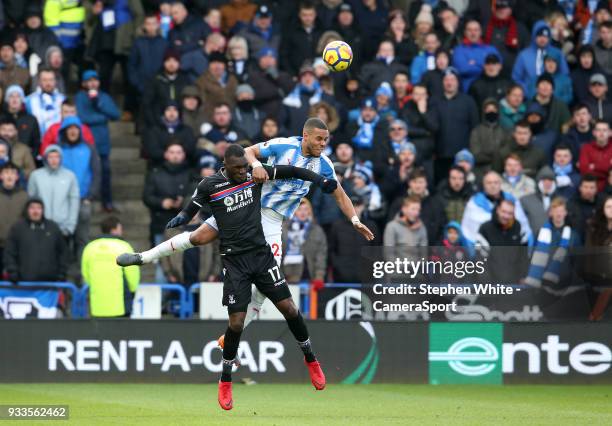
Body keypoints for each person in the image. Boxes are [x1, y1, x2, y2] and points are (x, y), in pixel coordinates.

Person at [122, 143, 336, 409]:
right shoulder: (210, 184)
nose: (243, 172)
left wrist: (320, 180)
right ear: (225, 167)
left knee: (290, 309)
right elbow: (192, 209)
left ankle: (311, 360)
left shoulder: (254, 174)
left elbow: (292, 170)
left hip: (261, 254)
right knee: (235, 323)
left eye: (245, 167)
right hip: (234, 261)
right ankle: (225, 380)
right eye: (238, 169)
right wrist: (180, 216)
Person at [118, 118, 374, 335]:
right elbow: (247, 151)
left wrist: (354, 220)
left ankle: (230, 337)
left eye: (325, 140)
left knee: (267, 284)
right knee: (198, 237)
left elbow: (340, 194)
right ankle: (143, 257)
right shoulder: (283, 145)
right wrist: (257, 165)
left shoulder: (325, 164)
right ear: (305, 135)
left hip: (274, 222)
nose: (322, 144)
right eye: (319, 139)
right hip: (247, 205)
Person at [142, 143, 192, 282]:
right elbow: (147, 197)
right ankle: (163, 300)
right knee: (162, 266)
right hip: (161, 225)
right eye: (172, 152)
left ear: (183, 155)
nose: (175, 155)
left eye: (178, 152)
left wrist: (184, 202)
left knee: (188, 264)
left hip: (186, 227)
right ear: (166, 154)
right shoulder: (155, 173)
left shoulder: (190, 173)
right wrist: (162, 203)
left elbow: (197, 194)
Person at [75, 70, 120, 212]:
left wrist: (99, 104)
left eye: (95, 80)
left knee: (106, 171)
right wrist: (102, 118)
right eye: (89, 80)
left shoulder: (103, 97)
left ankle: (107, 202)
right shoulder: (80, 97)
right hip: (86, 141)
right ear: (83, 83)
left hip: (102, 141)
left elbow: (116, 114)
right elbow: (83, 117)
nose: (92, 83)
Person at [81, 216, 140, 318]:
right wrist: (132, 291)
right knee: (120, 333)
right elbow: (132, 274)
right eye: (120, 229)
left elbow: (86, 275)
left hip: (97, 306)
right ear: (114, 230)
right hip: (120, 305)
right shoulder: (124, 246)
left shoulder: (90, 248)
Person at [3, 197, 68, 282]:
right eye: (32, 208)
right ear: (27, 210)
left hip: (50, 284)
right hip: (24, 283)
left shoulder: (53, 228)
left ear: (43, 210)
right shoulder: (17, 228)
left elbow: (63, 252)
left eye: (39, 208)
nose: (35, 211)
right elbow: (10, 252)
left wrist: (62, 273)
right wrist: (13, 271)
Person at [432, 67, 479, 183]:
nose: (449, 83)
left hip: (462, 156)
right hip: (440, 156)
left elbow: (475, 127)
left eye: (452, 79)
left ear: (458, 82)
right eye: (446, 80)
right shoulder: (434, 101)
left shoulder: (468, 101)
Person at [524, 197, 580, 290]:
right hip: (540, 281)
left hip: (564, 282)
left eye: (561, 211)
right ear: (550, 213)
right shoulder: (541, 232)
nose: (558, 214)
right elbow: (533, 255)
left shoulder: (574, 235)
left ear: (565, 213)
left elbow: (577, 261)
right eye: (555, 210)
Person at [461, 170, 531, 244]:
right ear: (484, 185)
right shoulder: (474, 203)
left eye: (496, 182)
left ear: (500, 184)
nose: (493, 185)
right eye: (489, 183)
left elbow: (523, 226)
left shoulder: (512, 200)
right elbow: (468, 230)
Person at [27, 145, 80, 239]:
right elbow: (31, 200)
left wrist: (70, 227)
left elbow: (74, 202)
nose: (54, 160)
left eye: (57, 157)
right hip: (40, 225)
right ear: (45, 158)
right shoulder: (36, 175)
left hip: (63, 227)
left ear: (61, 158)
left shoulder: (70, 176)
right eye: (50, 157)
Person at [328, 194, 379, 283]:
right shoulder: (337, 225)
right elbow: (331, 250)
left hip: (366, 276)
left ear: (363, 206)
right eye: (352, 205)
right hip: (341, 276)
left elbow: (376, 249)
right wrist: (338, 265)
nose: (355, 208)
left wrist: (370, 267)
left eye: (358, 205)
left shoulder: (371, 225)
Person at [475, 198, 529, 282]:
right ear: (498, 210)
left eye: (510, 213)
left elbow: (523, 257)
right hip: (491, 286)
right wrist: (487, 284)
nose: (506, 216)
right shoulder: (485, 229)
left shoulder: (519, 228)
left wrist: (523, 276)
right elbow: (480, 261)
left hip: (514, 285)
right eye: (504, 212)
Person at [512, 20, 569, 95]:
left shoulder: (557, 53)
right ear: (534, 36)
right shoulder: (524, 55)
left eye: (545, 36)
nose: (542, 39)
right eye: (539, 36)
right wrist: (527, 91)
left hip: (553, 98)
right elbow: (516, 78)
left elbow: (564, 75)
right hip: (529, 97)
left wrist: (555, 92)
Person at [127, 13, 169, 108]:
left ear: (158, 25)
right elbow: (132, 65)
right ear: (144, 26)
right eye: (148, 24)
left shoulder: (164, 43)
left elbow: (166, 64)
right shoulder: (138, 43)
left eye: (153, 23)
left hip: (160, 86)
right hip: (141, 86)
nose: (151, 26)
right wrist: (137, 83)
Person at [281, 199, 327, 284]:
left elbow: (321, 255)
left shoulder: (317, 230)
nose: (303, 212)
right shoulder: (284, 229)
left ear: (309, 211)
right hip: (287, 277)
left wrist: (319, 277)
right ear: (294, 211)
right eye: (299, 209)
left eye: (306, 209)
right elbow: (278, 254)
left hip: (310, 277)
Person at [142, 48, 190, 127]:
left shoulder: (185, 80)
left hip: (180, 123)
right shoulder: (155, 79)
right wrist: (154, 123)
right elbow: (147, 103)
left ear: (179, 63)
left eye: (175, 61)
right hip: (158, 121)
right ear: (164, 63)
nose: (171, 64)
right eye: (168, 61)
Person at [584, 196, 612, 320]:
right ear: (603, 209)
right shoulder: (594, 228)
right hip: (597, 277)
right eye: (609, 206)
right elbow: (590, 255)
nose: (611, 210)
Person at [452, 19, 501, 92]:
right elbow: (462, 69)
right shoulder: (459, 50)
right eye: (469, 30)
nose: (473, 33)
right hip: (468, 90)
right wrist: (486, 66)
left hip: (490, 90)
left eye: (476, 30)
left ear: (480, 32)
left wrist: (474, 63)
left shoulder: (491, 49)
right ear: (465, 32)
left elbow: (498, 66)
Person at [143, 101, 196, 166]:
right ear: (164, 112)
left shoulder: (187, 130)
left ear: (179, 113)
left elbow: (191, 148)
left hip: (183, 167)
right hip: (160, 166)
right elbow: (152, 150)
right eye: (168, 110)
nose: (172, 113)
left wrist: (179, 154)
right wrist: (167, 155)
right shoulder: (155, 130)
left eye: (175, 110)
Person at [246, 47, 294, 118]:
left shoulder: (283, 75)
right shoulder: (253, 77)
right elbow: (255, 95)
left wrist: (277, 77)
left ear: (276, 60)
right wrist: (277, 92)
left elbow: (291, 89)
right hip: (262, 114)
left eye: (271, 57)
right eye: (264, 57)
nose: (268, 60)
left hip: (283, 114)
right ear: (259, 60)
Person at [469, 97, 511, 178]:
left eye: (494, 109)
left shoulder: (504, 131)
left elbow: (507, 152)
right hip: (480, 171)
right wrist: (496, 155)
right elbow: (476, 155)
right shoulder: (476, 131)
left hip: (501, 172)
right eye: (488, 109)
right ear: (484, 111)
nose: (491, 111)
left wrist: (489, 154)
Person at [280, 1, 322, 76]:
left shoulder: (321, 31)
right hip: (297, 75)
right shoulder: (291, 32)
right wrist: (292, 74)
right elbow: (284, 55)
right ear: (299, 15)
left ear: (315, 15)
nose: (308, 18)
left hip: (319, 74)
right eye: (304, 15)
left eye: (310, 15)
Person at [0, 163, 28, 273]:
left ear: (17, 177)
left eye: (12, 173)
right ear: (1, 176)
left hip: (17, 246)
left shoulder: (24, 196)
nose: (9, 176)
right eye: (6, 173)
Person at [196, 52, 239, 121]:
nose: (217, 66)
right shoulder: (202, 81)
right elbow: (202, 102)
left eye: (220, 63)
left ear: (224, 65)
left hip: (231, 118)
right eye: (213, 63)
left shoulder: (232, 80)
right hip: (210, 118)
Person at [383, 196, 428, 260]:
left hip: (417, 268)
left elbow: (424, 253)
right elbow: (389, 254)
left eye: (418, 210)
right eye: (413, 209)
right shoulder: (392, 226)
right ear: (404, 209)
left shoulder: (421, 227)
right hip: (397, 268)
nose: (416, 213)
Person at [520, 166, 559, 236]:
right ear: (538, 182)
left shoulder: (561, 201)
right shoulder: (525, 200)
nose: (547, 184)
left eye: (550, 180)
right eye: (544, 180)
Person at [25, 67, 65, 135]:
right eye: (44, 80)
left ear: (55, 81)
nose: (48, 83)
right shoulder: (29, 101)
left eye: (51, 80)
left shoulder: (63, 100)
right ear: (39, 81)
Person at [4, 85, 41, 158]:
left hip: (26, 159)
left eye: (18, 96)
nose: (14, 99)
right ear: (7, 99)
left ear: (22, 99)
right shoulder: (2, 118)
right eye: (11, 96)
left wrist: (30, 157)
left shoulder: (31, 120)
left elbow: (36, 143)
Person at [579, 119, 612, 192]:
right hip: (591, 188)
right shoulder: (586, 148)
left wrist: (594, 166)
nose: (601, 133)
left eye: (604, 130)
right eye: (598, 130)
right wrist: (607, 167)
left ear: (610, 132)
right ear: (594, 132)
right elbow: (584, 170)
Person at [568, 174, 603, 241]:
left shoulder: (602, 204)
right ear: (580, 188)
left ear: (596, 189)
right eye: (585, 187)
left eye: (591, 187)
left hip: (597, 242)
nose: (588, 190)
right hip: (576, 243)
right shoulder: (571, 204)